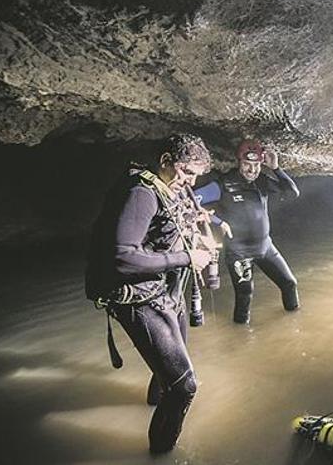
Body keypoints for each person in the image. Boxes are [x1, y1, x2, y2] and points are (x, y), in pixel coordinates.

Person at [85, 133, 213, 453]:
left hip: (167, 288)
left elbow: (161, 229)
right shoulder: (141, 194)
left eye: (197, 175)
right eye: (187, 172)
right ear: (166, 161)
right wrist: (187, 258)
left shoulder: (168, 187)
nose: (191, 181)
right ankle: (161, 454)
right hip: (138, 297)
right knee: (184, 386)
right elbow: (123, 257)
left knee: (169, 375)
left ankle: (156, 402)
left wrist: (193, 221)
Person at [194, 138, 301, 324]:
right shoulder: (224, 184)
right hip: (239, 252)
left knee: (290, 283)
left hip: (265, 247)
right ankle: (240, 335)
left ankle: (296, 324)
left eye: (256, 165)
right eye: (247, 164)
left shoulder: (262, 181)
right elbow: (191, 201)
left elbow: (292, 193)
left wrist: (276, 168)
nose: (252, 170)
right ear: (239, 162)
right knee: (245, 296)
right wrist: (218, 221)